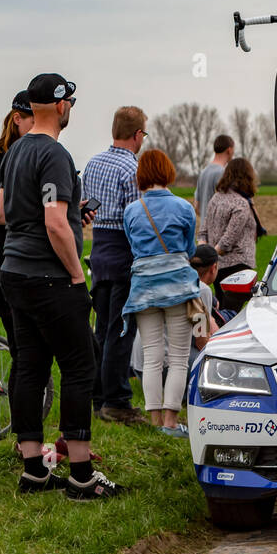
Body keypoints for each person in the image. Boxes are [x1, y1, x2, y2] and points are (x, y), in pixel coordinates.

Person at [0, 73, 121, 500]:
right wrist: (76, 274)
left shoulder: (13, 152)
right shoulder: (54, 154)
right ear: (62, 106)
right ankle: (82, 475)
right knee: (79, 366)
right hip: (49, 275)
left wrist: (71, 217)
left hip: (14, 272)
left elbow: (5, 214)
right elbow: (52, 221)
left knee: (29, 367)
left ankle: (33, 470)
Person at [122, 148, 198, 437]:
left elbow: (134, 248)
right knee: (178, 358)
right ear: (167, 172)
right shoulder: (183, 208)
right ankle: (170, 421)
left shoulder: (132, 210)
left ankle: (153, 421)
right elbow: (190, 249)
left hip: (143, 290)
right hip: (178, 287)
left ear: (141, 175)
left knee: (152, 355)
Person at [82, 107, 146, 425]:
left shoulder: (93, 164)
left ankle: (97, 398)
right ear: (137, 135)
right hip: (123, 252)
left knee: (101, 329)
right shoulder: (132, 169)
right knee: (121, 330)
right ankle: (117, 401)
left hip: (98, 252)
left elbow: (86, 208)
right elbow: (135, 219)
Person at [0, 90, 33, 403]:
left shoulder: (42, 153)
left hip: (40, 266)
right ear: (17, 119)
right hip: (8, 264)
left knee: (35, 351)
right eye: (33, 120)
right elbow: (0, 215)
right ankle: (22, 425)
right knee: (22, 350)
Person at [130, 244, 222, 399]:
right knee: (220, 368)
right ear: (213, 268)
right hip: (164, 367)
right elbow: (201, 341)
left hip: (139, 365)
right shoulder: (202, 289)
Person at [204, 158, 264, 313]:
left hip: (218, 268)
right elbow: (228, 239)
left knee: (223, 309)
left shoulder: (215, 198)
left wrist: (208, 255)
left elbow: (203, 231)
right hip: (239, 267)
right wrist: (212, 254)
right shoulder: (241, 203)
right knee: (231, 315)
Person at [193, 135, 234, 239]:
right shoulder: (223, 173)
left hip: (203, 238)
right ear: (229, 150)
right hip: (217, 240)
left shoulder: (203, 173)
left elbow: (197, 207)